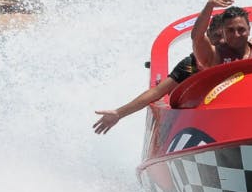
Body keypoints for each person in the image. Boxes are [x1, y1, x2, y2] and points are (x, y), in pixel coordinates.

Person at [92, 15, 224, 135]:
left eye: (226, 36)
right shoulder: (191, 65)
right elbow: (156, 92)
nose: (222, 41)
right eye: (218, 36)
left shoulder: (241, 55)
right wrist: (118, 113)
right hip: (199, 120)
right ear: (208, 36)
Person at [192, 0, 252, 68]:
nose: (236, 35)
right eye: (230, 30)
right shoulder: (215, 57)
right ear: (223, 32)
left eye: (241, 29)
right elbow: (197, 37)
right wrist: (209, 6)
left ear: (249, 30)